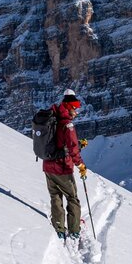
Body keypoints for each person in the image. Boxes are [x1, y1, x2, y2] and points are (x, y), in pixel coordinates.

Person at [43, 89, 88, 240]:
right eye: (75, 108)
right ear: (69, 107)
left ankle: (59, 228)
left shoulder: (53, 117)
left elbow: (59, 143)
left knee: (55, 196)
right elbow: (72, 149)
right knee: (72, 198)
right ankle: (74, 230)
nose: (77, 111)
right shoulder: (68, 125)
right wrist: (81, 166)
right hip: (62, 168)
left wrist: (79, 144)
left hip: (48, 165)